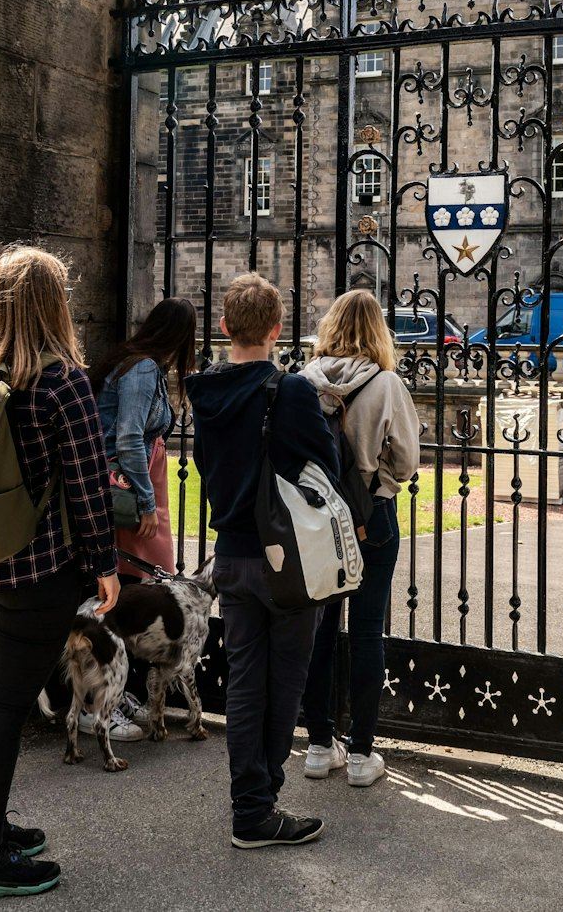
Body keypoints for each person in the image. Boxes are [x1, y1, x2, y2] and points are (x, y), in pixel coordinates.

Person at [0, 245, 119, 902]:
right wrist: (105, 565)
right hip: (36, 574)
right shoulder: (62, 381)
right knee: (1, 707)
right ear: (56, 304)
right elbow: (86, 485)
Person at [185, 273, 340, 850]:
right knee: (285, 681)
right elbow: (324, 467)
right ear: (277, 330)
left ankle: (248, 801)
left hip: (231, 551)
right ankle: (258, 807)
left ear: (225, 327)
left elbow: (206, 463)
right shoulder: (289, 390)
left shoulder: (204, 390)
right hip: (286, 558)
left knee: (247, 681)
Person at [298, 290, 421, 788]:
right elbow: (408, 461)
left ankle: (318, 744)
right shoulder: (386, 383)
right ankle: (362, 755)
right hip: (372, 515)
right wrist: (377, 477)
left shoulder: (305, 380)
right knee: (367, 630)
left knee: (321, 630)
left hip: (319, 517)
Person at [91, 296, 198, 740]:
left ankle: (121, 690)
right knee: (137, 581)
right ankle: (104, 699)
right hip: (129, 483)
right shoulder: (142, 369)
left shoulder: (132, 362)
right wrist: (146, 500)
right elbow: (129, 436)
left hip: (133, 478)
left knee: (131, 582)